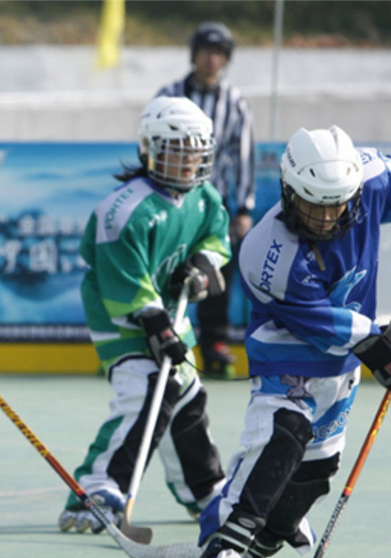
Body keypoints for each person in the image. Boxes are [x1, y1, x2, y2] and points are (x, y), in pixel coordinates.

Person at [183, 125, 391, 558]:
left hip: (342, 365)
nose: (324, 218)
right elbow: (327, 324)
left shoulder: (366, 178)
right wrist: (388, 358)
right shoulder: (268, 252)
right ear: (287, 190)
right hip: (289, 354)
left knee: (316, 475)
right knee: (285, 433)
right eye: (311, 205)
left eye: (335, 205)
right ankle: (223, 543)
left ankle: (262, 543)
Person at [57, 96, 231, 534]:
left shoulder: (204, 197)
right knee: (145, 392)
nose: (187, 160)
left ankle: (204, 489)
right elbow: (122, 280)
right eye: (176, 149)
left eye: (195, 151)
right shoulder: (124, 210)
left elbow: (217, 238)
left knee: (187, 398)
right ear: (149, 150)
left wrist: (204, 266)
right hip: (121, 320)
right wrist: (155, 324)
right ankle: (97, 487)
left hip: (173, 318)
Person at [155, 21, 256, 379]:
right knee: (162, 264)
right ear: (193, 54)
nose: (212, 60)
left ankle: (214, 341)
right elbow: (151, 144)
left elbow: (243, 157)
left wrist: (242, 209)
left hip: (215, 205)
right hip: (168, 198)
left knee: (214, 268)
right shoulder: (168, 94)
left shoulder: (235, 103)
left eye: (219, 54)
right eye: (206, 52)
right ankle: (151, 333)